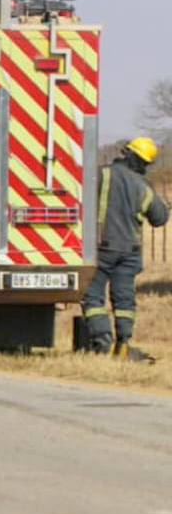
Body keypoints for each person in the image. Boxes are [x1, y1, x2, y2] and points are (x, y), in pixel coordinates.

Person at [83, 137, 169, 356]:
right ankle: (123, 343)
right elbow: (159, 219)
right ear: (142, 162)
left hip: (102, 248)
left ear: (126, 153)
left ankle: (102, 342)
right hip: (129, 252)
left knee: (93, 296)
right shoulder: (144, 186)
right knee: (123, 299)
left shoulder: (100, 175)